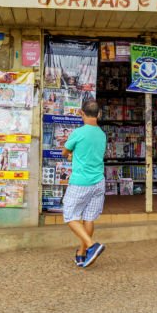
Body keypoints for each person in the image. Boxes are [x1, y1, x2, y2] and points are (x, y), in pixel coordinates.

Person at [62, 98, 108, 268]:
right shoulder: (102, 134)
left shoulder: (78, 133)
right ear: (99, 114)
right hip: (98, 181)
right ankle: (82, 254)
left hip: (81, 182)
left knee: (70, 216)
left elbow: (65, 151)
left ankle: (91, 246)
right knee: (89, 218)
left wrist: (70, 154)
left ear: (81, 112)